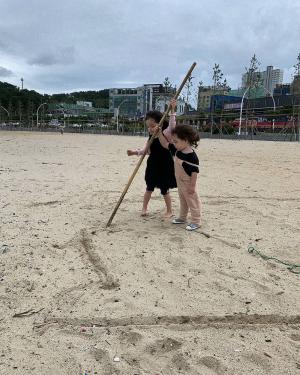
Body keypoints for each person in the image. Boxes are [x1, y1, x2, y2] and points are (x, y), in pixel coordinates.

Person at [127, 100, 177, 217]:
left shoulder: (166, 132)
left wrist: (172, 110)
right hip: (153, 163)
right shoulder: (150, 136)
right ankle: (144, 208)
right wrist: (134, 152)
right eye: (148, 126)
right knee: (149, 187)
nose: (150, 128)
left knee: (165, 189)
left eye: (152, 126)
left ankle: (169, 211)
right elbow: (146, 150)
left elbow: (172, 125)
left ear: (159, 123)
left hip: (165, 164)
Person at [157, 124, 202, 231]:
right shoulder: (176, 150)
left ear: (186, 140)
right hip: (180, 182)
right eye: (173, 141)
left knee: (192, 201)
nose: (174, 144)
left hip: (188, 183)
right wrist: (159, 133)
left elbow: (194, 172)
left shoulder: (191, 156)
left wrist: (192, 186)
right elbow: (164, 143)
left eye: (176, 141)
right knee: (183, 201)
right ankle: (182, 217)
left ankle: (196, 221)